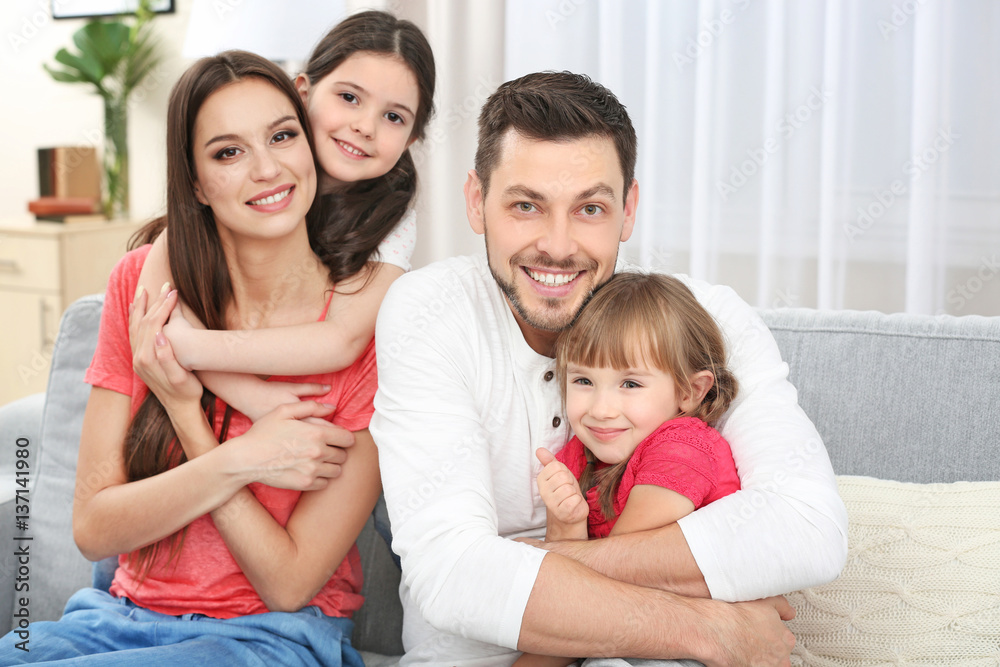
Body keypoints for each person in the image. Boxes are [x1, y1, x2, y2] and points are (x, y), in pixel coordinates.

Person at [370, 71, 849, 665]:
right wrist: (708, 627)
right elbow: (449, 578)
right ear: (476, 201)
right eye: (526, 205)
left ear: (628, 210)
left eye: (590, 208)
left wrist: (511, 561)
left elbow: (807, 531)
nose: (558, 245)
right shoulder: (429, 312)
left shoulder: (705, 317)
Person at [0, 51, 380, 666]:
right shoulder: (145, 293)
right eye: (228, 152)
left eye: (283, 136)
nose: (266, 168)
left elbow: (287, 583)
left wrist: (190, 419)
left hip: (271, 636)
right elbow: (95, 527)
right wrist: (241, 456)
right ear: (197, 183)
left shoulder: (367, 325)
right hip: (112, 620)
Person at [136, 10, 435, 421]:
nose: (365, 126)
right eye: (349, 97)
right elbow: (157, 300)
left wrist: (188, 347)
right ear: (303, 92)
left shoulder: (394, 219)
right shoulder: (258, 177)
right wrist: (246, 394)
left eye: (394, 117)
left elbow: (341, 339)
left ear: (411, 139)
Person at [514, 272, 742, 667]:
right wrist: (566, 522)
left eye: (630, 384)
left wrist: (546, 553)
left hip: (693, 640)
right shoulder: (579, 456)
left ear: (689, 392)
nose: (601, 409)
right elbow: (566, 598)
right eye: (584, 380)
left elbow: (619, 576)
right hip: (617, 632)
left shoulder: (682, 446)